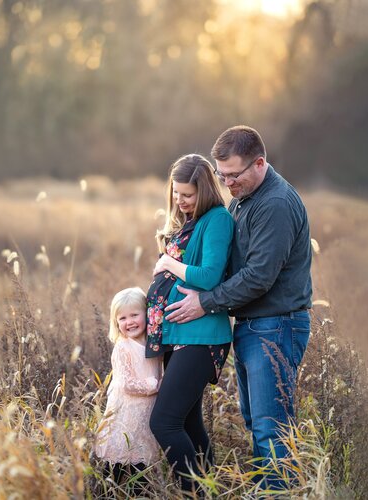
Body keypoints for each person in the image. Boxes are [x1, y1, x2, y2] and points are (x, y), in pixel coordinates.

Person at [165, 126, 312, 489]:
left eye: (233, 174)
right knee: (256, 423)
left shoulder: (274, 204)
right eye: (221, 174)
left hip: (276, 326)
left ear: (259, 163)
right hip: (254, 325)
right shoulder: (246, 198)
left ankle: (277, 495)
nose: (226, 182)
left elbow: (259, 276)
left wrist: (205, 302)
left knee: (270, 430)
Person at [146, 153, 234, 494]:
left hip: (201, 336)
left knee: (164, 423)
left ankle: (194, 493)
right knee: (188, 423)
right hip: (178, 333)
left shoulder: (217, 220)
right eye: (176, 193)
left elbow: (210, 276)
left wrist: (170, 263)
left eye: (187, 194)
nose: (180, 201)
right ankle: (212, 491)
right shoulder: (188, 222)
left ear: (205, 190)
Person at [93, 287, 162, 495]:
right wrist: (155, 385)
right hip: (125, 415)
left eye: (134, 315)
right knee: (116, 462)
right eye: (122, 318)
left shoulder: (155, 345)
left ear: (147, 314)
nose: (129, 322)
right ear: (115, 323)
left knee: (140, 468)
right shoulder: (123, 347)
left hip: (144, 417)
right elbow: (127, 384)